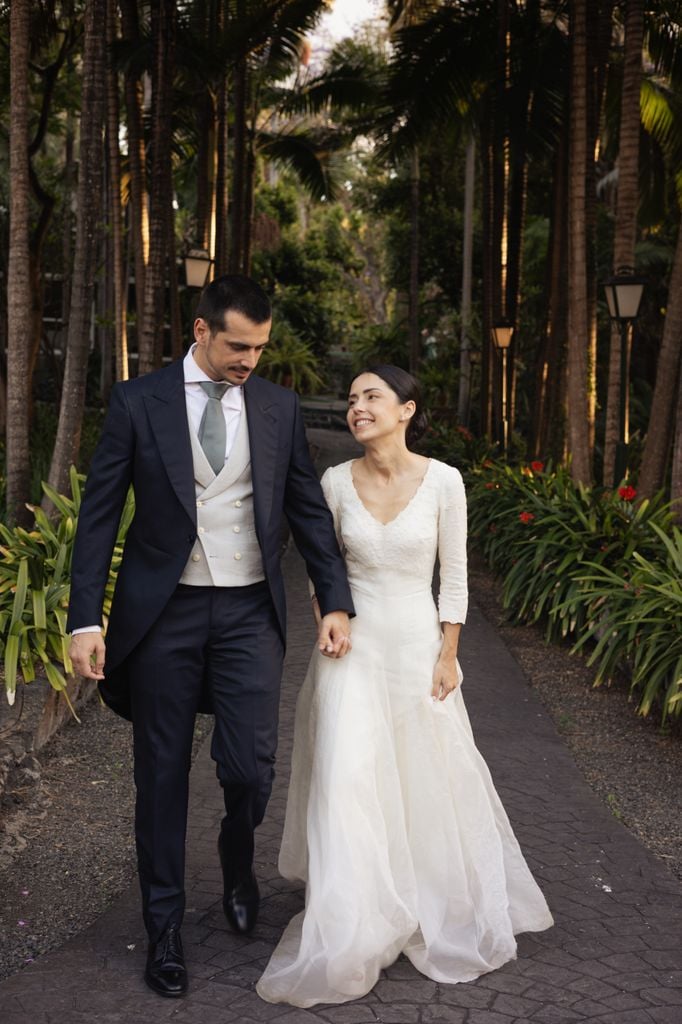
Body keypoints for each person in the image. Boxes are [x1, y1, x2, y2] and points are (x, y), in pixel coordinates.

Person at [67, 274, 354, 999]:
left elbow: (306, 511)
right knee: (160, 777)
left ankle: (236, 859)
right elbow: (100, 514)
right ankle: (162, 926)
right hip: (164, 614)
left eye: (259, 346)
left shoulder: (279, 407)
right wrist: (84, 617)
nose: (249, 359)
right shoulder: (139, 401)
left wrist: (335, 599)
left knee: (252, 769)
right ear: (201, 332)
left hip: (249, 613)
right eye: (237, 345)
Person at [257, 365, 553, 1008]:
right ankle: (355, 913)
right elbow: (321, 562)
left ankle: (424, 894)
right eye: (354, 398)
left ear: (406, 409)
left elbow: (455, 577)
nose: (358, 407)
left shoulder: (444, 480)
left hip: (419, 645)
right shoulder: (335, 482)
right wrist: (325, 619)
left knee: (425, 774)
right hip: (352, 649)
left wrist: (450, 653)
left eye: (373, 397)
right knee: (348, 775)